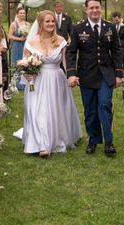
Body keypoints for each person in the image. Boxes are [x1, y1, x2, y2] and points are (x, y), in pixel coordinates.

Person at [66, 0, 124, 156]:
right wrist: (71, 74)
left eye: (97, 7)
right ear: (86, 9)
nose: (95, 10)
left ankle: (109, 141)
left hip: (106, 75)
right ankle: (93, 140)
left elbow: (118, 51)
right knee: (90, 110)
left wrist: (118, 73)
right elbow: (71, 52)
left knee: (104, 105)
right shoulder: (78, 28)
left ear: (101, 8)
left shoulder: (110, 27)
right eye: (91, 7)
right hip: (86, 75)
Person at [22, 10, 82, 156]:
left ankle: (56, 138)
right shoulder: (31, 41)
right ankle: (42, 145)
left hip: (56, 79)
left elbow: (65, 62)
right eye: (47, 21)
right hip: (38, 80)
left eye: (52, 21)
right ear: (41, 23)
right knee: (37, 110)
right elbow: (24, 62)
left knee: (55, 110)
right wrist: (27, 73)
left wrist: (71, 76)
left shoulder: (61, 40)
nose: (50, 24)